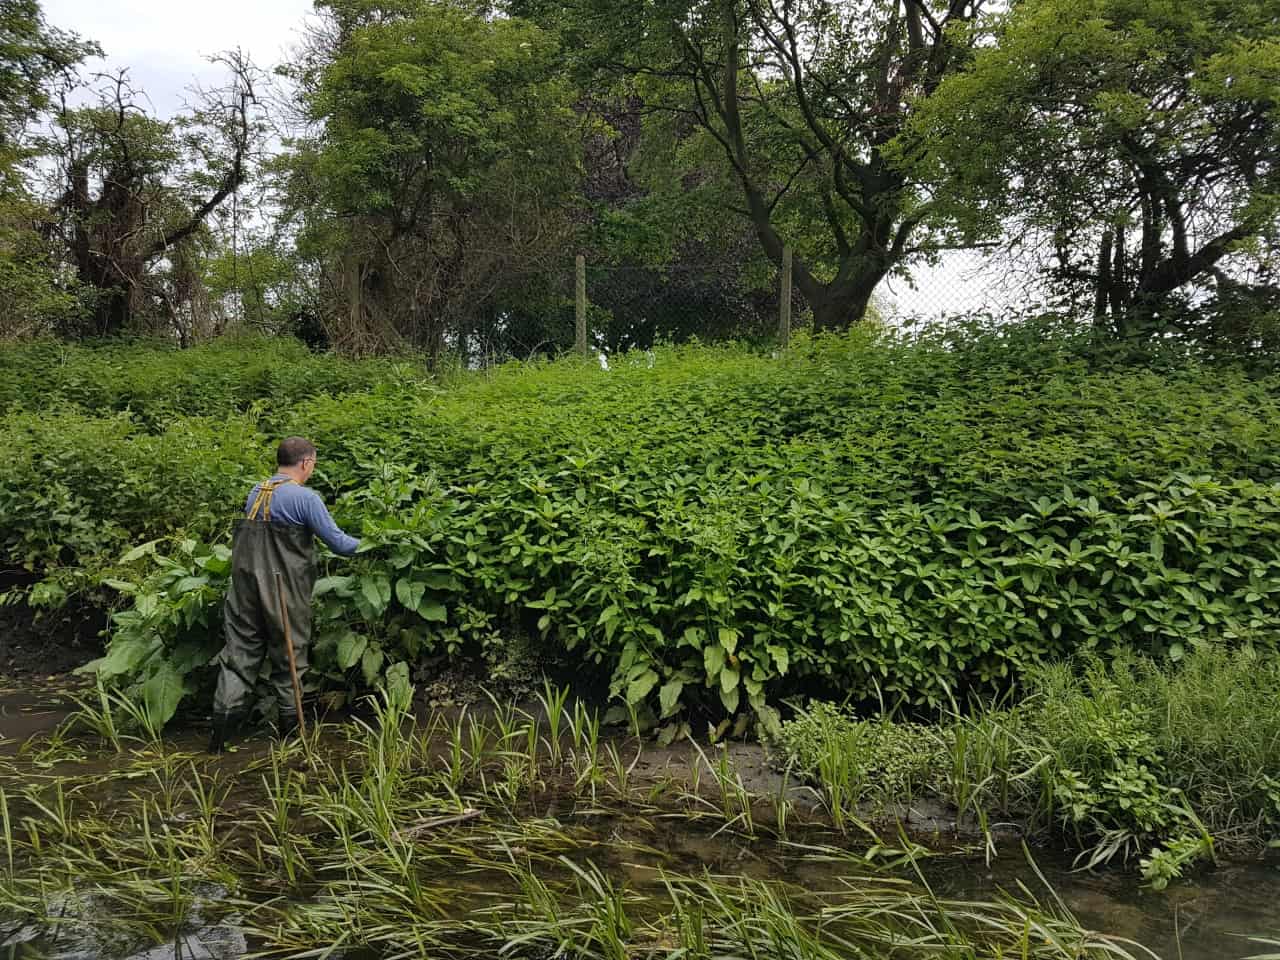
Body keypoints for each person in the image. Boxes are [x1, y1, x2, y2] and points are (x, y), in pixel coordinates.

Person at [208, 437, 360, 753]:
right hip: (282, 592)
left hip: (245, 593)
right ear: (306, 463)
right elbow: (340, 544)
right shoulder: (305, 498)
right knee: (290, 659)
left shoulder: (256, 492)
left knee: (239, 660)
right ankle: (290, 742)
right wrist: (378, 543)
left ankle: (219, 744)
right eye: (313, 463)